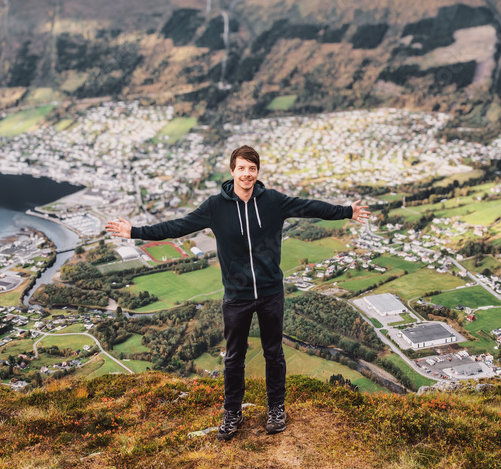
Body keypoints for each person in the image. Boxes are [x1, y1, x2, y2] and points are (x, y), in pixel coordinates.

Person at [106, 145, 370, 440]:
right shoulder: (215, 207)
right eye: (242, 168)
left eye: (252, 168)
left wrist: (346, 211)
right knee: (234, 358)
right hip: (237, 296)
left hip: (271, 292)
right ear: (232, 171)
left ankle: (276, 409)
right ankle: (232, 413)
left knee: (274, 353)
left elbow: (310, 207)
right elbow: (178, 226)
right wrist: (136, 231)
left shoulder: (273, 201)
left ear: (258, 172)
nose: (247, 174)